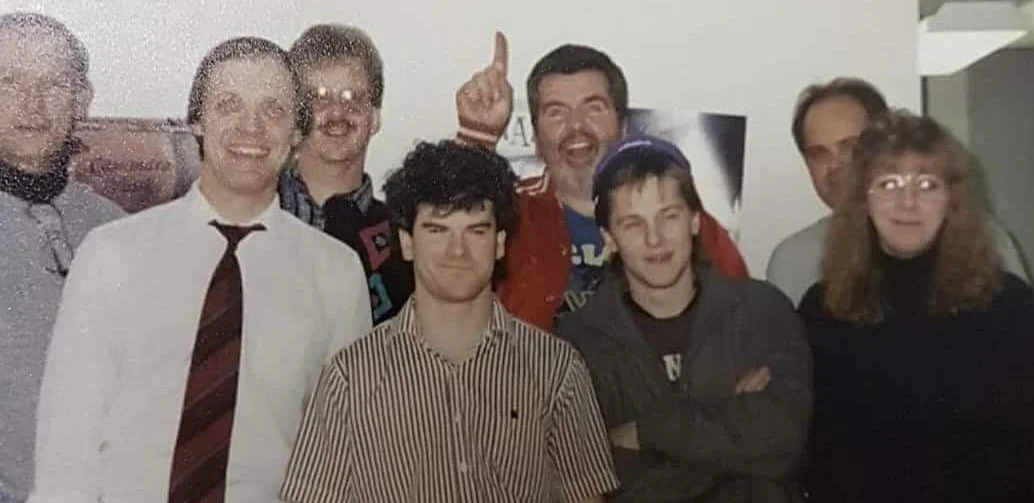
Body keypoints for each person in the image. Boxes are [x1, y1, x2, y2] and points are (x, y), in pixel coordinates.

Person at [30, 37, 372, 502]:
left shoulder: (335, 274)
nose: (250, 127)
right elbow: (66, 446)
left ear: (297, 131)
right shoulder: (111, 254)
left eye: (273, 109)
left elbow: (343, 453)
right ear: (197, 121)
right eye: (229, 105)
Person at [280, 140, 619, 503]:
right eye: (438, 230)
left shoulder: (555, 369)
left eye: (476, 231)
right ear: (407, 243)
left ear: (500, 243)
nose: (458, 250)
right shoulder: (349, 379)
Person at [556, 135, 812, 502]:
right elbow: (587, 476)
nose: (655, 239)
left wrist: (647, 431)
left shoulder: (763, 312)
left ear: (695, 220)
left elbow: (784, 443)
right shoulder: (575, 343)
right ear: (608, 238)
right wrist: (729, 432)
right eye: (633, 224)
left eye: (669, 217)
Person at [798, 110, 1034, 502]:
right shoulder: (822, 312)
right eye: (888, 183)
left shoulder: (1010, 307)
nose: (907, 202)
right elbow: (816, 453)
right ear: (862, 201)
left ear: (952, 201)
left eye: (927, 184)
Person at [455, 34, 748, 330]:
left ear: (623, 126)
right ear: (535, 137)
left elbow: (744, 322)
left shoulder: (683, 221)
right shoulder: (512, 214)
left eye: (593, 107)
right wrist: (476, 137)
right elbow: (447, 256)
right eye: (556, 113)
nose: (576, 125)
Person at [0, 13, 125, 503]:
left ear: (82, 99)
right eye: (10, 82)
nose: (32, 104)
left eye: (52, 84)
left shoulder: (115, 229)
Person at [766, 78, 1028, 305]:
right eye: (819, 154)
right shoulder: (793, 260)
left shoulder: (985, 242)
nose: (836, 165)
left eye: (850, 147)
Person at [280, 24, 412, 324]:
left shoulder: (402, 238)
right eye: (319, 99)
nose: (337, 114)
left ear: (375, 117)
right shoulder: (255, 214)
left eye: (352, 98)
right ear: (295, 115)